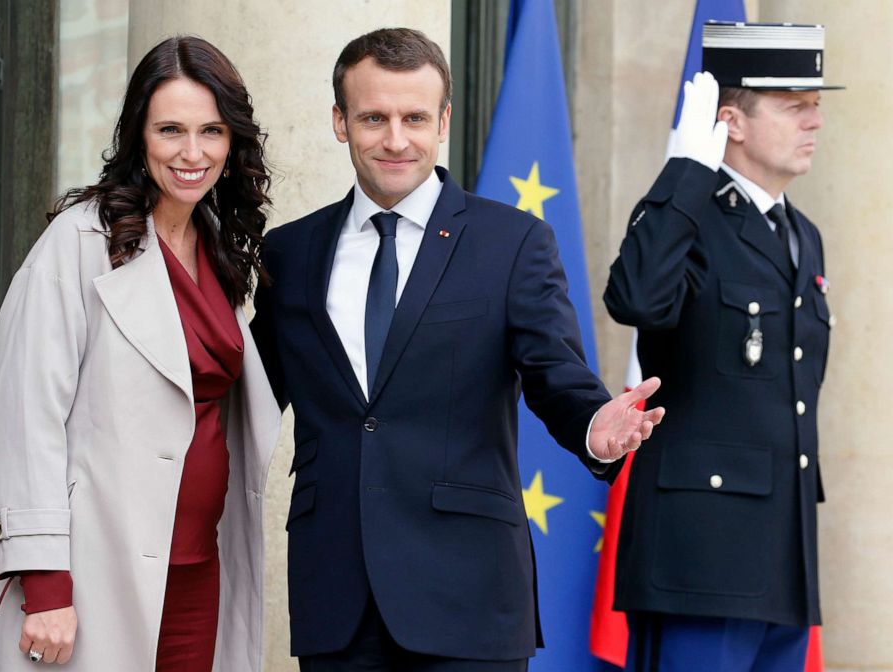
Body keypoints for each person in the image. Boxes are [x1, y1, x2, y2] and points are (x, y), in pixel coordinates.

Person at [250, 28, 665, 671]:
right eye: (373, 118)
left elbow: (556, 372)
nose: (395, 139)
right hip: (335, 596)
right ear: (340, 121)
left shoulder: (512, 243)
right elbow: (246, 396)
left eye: (415, 117)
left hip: (468, 598)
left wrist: (593, 425)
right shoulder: (289, 253)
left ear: (444, 121)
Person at [0, 36, 280, 671]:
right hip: (94, 570)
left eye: (212, 131)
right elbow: (28, 418)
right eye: (171, 130)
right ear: (139, 136)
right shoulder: (78, 240)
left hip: (198, 567)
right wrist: (46, 584)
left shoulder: (216, 243)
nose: (193, 153)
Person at [604, 21, 841, 671]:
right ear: (731, 121)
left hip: (781, 561)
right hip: (698, 562)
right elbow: (636, 299)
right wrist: (684, 170)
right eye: (796, 106)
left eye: (816, 106)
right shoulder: (687, 215)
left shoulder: (802, 234)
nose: (814, 121)